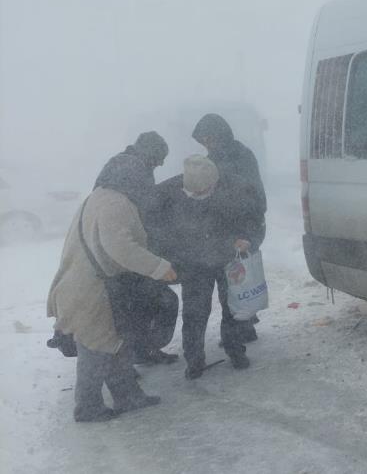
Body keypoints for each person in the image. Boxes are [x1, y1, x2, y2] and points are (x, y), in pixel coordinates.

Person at [47, 154, 177, 422]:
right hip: (94, 291)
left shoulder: (98, 198)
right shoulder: (115, 203)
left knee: (116, 343)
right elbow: (120, 246)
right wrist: (159, 267)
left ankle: (128, 396)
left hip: (86, 286)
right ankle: (88, 407)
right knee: (95, 350)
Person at [148, 155, 261, 377]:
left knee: (233, 307)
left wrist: (247, 238)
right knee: (195, 312)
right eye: (197, 193)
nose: (203, 194)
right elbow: (155, 230)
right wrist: (170, 257)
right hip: (192, 263)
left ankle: (235, 350)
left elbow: (251, 219)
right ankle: (194, 360)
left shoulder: (232, 188)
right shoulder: (167, 193)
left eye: (207, 190)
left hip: (228, 258)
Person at [94, 134, 180, 366]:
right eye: (160, 158)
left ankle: (140, 353)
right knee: (153, 305)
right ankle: (133, 359)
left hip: (119, 253)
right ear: (150, 152)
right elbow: (148, 207)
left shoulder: (123, 163)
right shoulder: (132, 168)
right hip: (125, 256)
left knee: (139, 310)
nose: (161, 163)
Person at [192, 114, 266, 344]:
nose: (206, 144)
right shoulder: (217, 158)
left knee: (233, 284)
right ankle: (244, 327)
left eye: (208, 138)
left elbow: (252, 196)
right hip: (228, 229)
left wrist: (248, 234)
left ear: (219, 134)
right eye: (202, 140)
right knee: (238, 282)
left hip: (241, 227)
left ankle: (236, 334)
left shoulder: (239, 157)